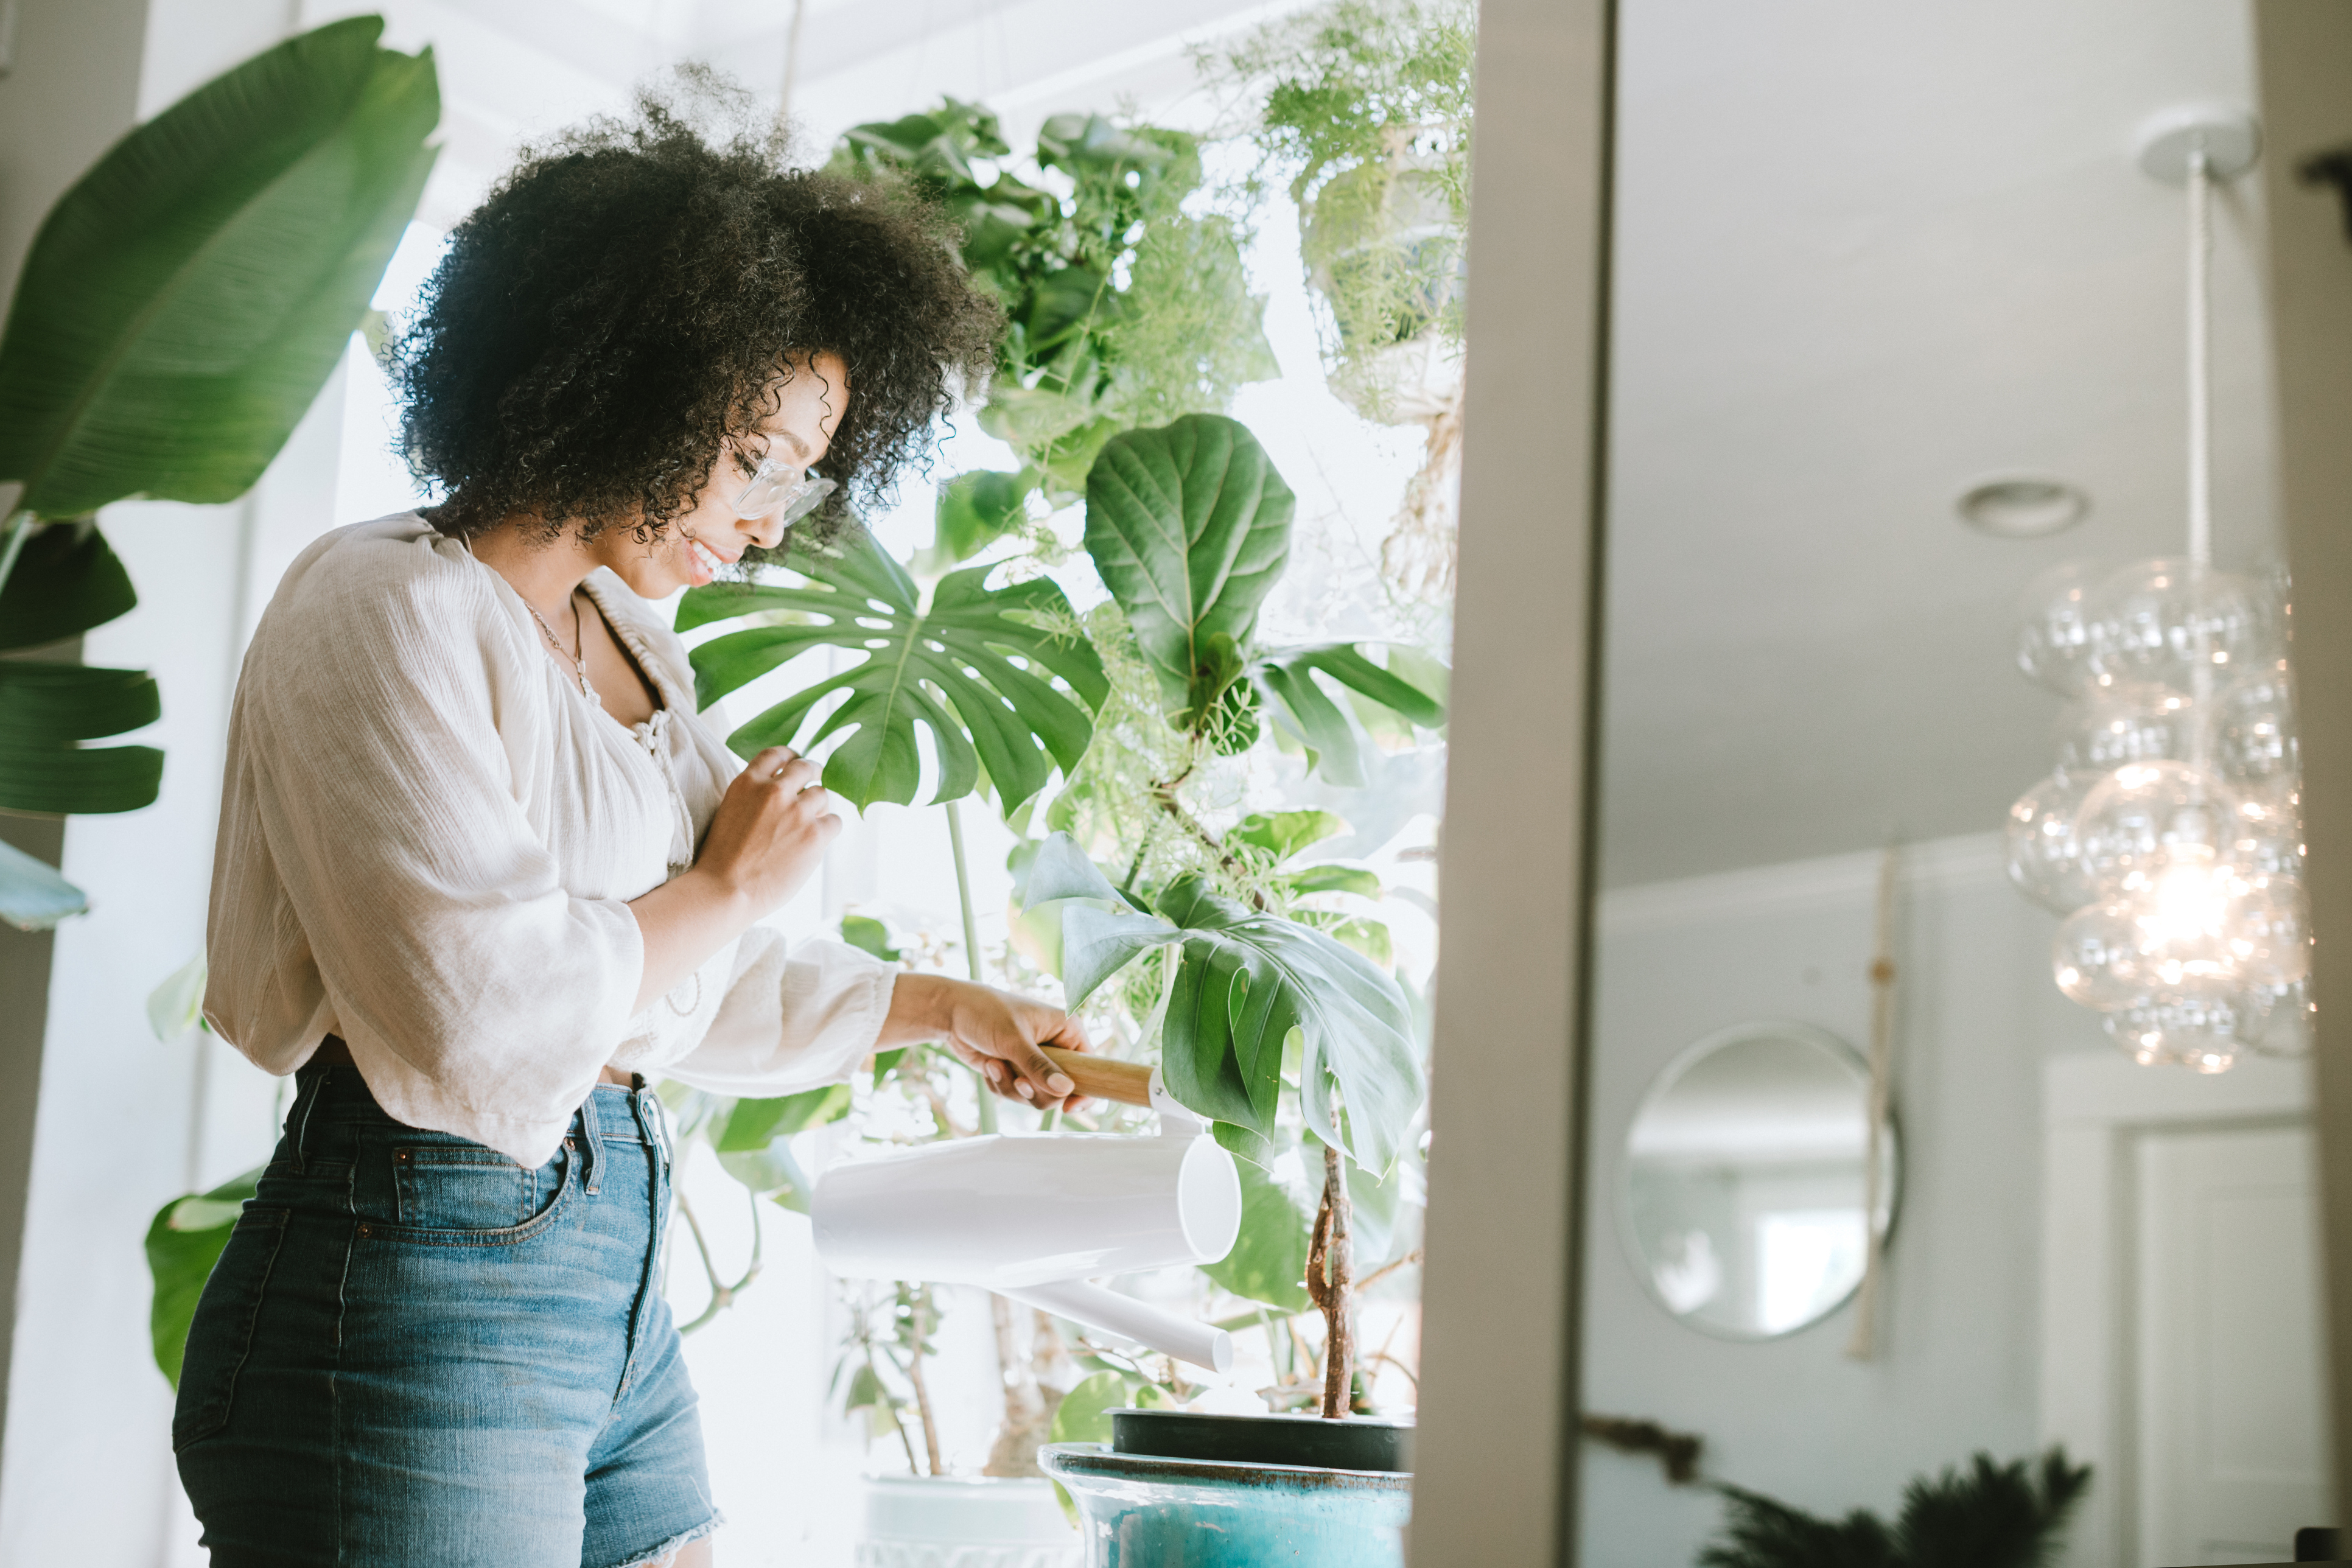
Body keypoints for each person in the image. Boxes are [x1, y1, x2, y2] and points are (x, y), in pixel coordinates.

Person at [178, 90, 1088, 1567]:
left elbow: (668, 983)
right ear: (627, 382)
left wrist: (938, 1008)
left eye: (806, 470)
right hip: (413, 1267)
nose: (777, 516)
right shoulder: (378, 605)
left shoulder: (636, 650)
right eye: (754, 457)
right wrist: (728, 883)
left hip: (611, 1263)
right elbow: (474, 1018)